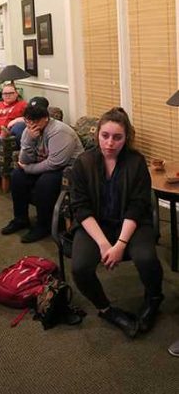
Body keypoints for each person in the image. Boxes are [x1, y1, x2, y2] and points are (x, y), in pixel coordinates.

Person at [69, 107, 163, 338]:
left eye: (117, 137)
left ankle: (153, 298)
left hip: (132, 223)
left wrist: (120, 244)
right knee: (80, 267)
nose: (110, 143)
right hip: (96, 224)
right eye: (105, 136)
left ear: (126, 138)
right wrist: (103, 243)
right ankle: (106, 309)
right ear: (97, 134)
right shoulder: (83, 163)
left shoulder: (137, 162)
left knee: (146, 258)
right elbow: (80, 208)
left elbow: (137, 206)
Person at [1, 102, 83, 243]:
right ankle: (20, 219)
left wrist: (27, 168)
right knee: (17, 176)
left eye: (35, 121)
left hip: (67, 169)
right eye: (28, 121)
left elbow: (54, 163)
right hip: (43, 164)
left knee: (45, 183)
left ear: (46, 118)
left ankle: (43, 225)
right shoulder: (29, 130)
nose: (31, 124)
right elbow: (24, 159)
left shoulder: (59, 131)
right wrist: (28, 139)